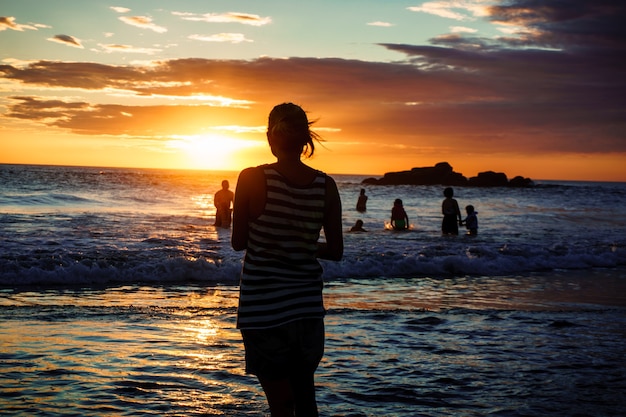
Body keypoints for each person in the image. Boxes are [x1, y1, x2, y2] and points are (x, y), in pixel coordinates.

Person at [231, 103, 343, 417]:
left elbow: (238, 242)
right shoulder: (326, 185)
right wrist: (301, 242)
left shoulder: (253, 178)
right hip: (307, 310)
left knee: (281, 405)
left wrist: (275, 238)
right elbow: (335, 250)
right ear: (306, 138)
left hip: (263, 310)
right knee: (305, 400)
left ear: (270, 136)